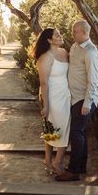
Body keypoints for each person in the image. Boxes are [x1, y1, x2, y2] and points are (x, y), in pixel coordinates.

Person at [55, 19, 98, 182]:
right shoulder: (74, 46)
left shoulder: (91, 52)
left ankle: (73, 172)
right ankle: (80, 166)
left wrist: (87, 103)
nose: (72, 34)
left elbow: (93, 81)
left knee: (76, 133)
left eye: (75, 31)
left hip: (85, 98)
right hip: (74, 97)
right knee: (79, 133)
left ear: (84, 33)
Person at [33, 27, 71, 175]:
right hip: (52, 97)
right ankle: (57, 163)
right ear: (49, 40)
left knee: (55, 128)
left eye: (60, 33)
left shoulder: (64, 52)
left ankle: (48, 160)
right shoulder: (45, 57)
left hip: (65, 94)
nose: (61, 36)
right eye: (57, 35)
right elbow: (44, 83)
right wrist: (46, 105)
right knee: (59, 128)